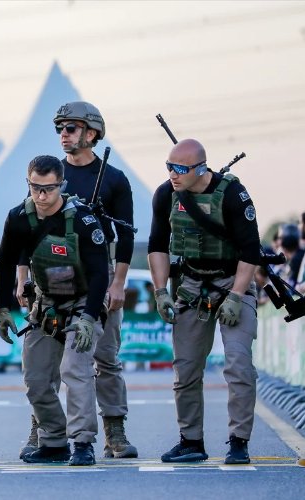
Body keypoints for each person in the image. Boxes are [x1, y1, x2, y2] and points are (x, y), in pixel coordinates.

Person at [148, 138, 260, 464]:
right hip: (192, 284)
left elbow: (251, 250)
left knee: (238, 365)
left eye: (180, 168)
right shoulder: (166, 194)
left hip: (232, 281)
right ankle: (190, 441)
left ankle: (239, 441)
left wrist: (237, 296)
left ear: (201, 168)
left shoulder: (235, 196)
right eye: (169, 166)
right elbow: (157, 244)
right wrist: (160, 291)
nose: (173, 174)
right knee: (185, 369)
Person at [0, 155, 109, 466]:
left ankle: (83, 441)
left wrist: (89, 319)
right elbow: (5, 262)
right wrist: (2, 308)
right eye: (35, 188)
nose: (42, 196)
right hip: (45, 304)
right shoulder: (18, 217)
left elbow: (101, 272)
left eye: (49, 189)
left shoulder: (83, 220)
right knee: (35, 378)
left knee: (74, 369)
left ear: (61, 185)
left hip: (83, 303)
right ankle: (54, 440)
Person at [42, 100, 137, 459]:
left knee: (106, 356)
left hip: (102, 268)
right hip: (56, 269)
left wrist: (118, 283)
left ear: (92, 133)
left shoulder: (113, 179)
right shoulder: (50, 173)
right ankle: (44, 429)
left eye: (71, 128)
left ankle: (115, 429)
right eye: (60, 129)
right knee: (51, 356)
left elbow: (125, 236)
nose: (63, 135)